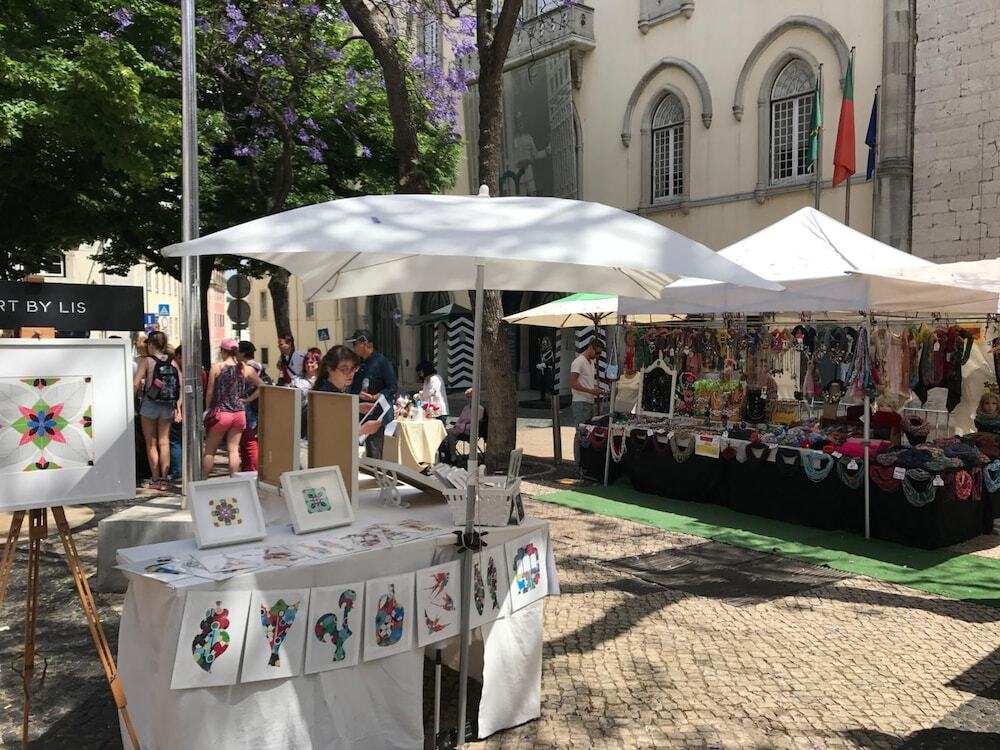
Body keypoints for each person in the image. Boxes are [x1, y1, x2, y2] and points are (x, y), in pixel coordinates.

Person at [203, 338, 265, 477]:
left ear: (223, 351)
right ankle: (234, 480)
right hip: (239, 413)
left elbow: (209, 392)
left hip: (221, 413)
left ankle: (202, 480)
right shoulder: (245, 369)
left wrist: (207, 409)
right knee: (233, 450)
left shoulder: (217, 367)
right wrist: (248, 399)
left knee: (210, 451)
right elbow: (263, 385)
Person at [133, 331, 180, 491]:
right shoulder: (172, 361)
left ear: (151, 344)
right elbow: (179, 384)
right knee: (164, 442)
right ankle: (165, 480)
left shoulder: (146, 361)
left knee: (151, 443)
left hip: (150, 404)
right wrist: (178, 407)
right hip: (168, 405)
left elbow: (136, 383)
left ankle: (155, 479)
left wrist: (132, 397)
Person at [348, 329, 398, 459]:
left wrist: (376, 396)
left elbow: (392, 386)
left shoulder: (382, 363)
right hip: (358, 414)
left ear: (364, 343)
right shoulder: (358, 363)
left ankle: (376, 472)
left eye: (355, 344)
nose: (353, 347)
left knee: (374, 452)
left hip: (376, 415)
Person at [570, 338, 604, 472]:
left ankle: (585, 463)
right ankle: (578, 465)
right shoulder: (578, 362)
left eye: (599, 354)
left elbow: (587, 382)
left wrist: (595, 390)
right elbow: (573, 383)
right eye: (597, 353)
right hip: (580, 402)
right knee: (581, 433)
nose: (597, 356)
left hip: (589, 401)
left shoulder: (591, 363)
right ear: (590, 348)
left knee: (588, 433)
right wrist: (590, 391)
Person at [237, 340, 264, 472]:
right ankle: (248, 468)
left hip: (250, 410)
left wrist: (248, 400)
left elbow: (262, 386)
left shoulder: (249, 368)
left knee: (249, 442)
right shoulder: (258, 366)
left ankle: (251, 470)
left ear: (242, 353)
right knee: (248, 442)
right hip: (254, 409)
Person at [442, 387, 485, 464]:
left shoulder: (480, 409)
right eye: (467, 397)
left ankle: (452, 456)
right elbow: (460, 419)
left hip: (470, 431)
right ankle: (448, 454)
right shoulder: (466, 408)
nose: (469, 399)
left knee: (450, 433)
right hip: (460, 428)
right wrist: (457, 426)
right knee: (445, 432)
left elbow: (477, 423)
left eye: (471, 397)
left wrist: (462, 427)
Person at [537, 336, 555, 402]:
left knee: (549, 384)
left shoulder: (550, 352)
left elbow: (550, 362)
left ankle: (552, 398)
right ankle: (543, 397)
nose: (544, 345)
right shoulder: (543, 352)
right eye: (543, 344)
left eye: (545, 344)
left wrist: (542, 365)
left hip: (548, 370)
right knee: (542, 384)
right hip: (543, 370)